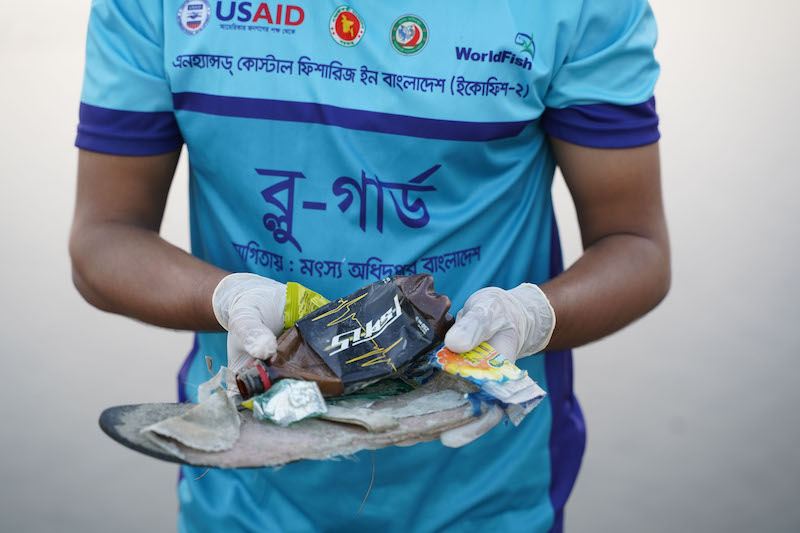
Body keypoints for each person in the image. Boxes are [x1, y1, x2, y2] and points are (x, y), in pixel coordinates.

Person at [70, 1, 670, 531]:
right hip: (247, 479)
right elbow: (104, 237)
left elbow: (635, 244)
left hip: (485, 489)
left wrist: (530, 317)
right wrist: (223, 296)